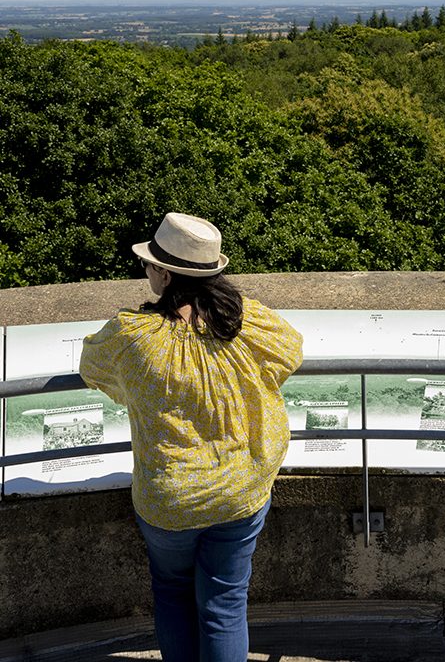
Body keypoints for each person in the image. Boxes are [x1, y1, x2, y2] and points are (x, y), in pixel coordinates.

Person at [79, 212, 303, 662]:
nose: (146, 271)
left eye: (148, 264)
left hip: (170, 498)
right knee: (224, 605)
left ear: (164, 272)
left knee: (173, 592)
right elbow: (288, 354)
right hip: (242, 485)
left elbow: (95, 370)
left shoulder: (133, 335)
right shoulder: (247, 321)